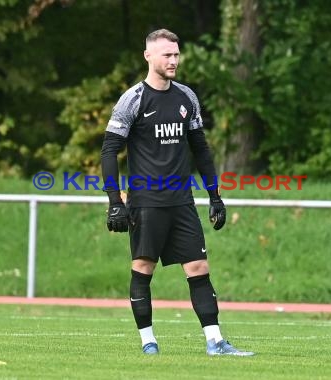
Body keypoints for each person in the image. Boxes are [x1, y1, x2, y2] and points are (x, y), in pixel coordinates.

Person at [100, 28, 254, 357]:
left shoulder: (187, 97)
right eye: (167, 54)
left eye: (176, 54)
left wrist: (215, 195)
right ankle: (148, 343)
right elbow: (109, 151)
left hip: (182, 201)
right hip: (147, 203)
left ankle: (215, 342)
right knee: (143, 268)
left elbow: (201, 150)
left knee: (198, 267)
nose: (174, 60)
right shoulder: (133, 99)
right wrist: (116, 202)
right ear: (148, 56)